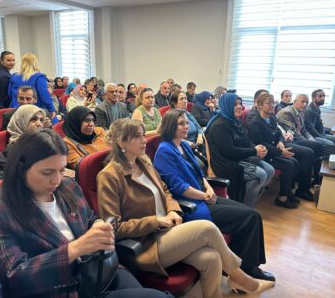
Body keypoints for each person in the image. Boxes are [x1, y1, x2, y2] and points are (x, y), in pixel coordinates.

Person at [0, 129, 172, 298]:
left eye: (62, 170)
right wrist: (74, 249)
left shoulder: (69, 187)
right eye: (47, 172)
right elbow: (14, 276)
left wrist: (97, 226)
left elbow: (90, 218)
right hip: (62, 287)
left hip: (97, 270)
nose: (56, 180)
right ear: (21, 170)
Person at [97, 118, 274, 298]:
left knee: (211, 258)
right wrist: (155, 221)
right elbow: (114, 228)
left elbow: (165, 189)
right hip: (145, 243)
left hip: (167, 231)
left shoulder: (143, 162)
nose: (145, 140)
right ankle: (241, 278)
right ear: (121, 141)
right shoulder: (109, 176)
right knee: (206, 227)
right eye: (137, 136)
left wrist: (173, 210)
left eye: (144, 135)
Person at [154, 109, 275, 282]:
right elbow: (178, 187)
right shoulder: (164, 151)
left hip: (203, 196)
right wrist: (204, 196)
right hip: (191, 205)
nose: (186, 126)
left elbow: (199, 173)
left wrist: (209, 188)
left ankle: (244, 265)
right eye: (181, 123)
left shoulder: (182, 145)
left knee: (251, 213)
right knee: (249, 217)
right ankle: (247, 269)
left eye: (186, 123)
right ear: (170, 126)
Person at [205, 93, 275, 207]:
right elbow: (229, 152)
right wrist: (254, 151)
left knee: (270, 170)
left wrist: (258, 148)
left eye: (240, 103)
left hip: (239, 158)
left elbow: (246, 142)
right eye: (235, 104)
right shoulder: (220, 125)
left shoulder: (236, 121)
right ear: (227, 105)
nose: (239, 106)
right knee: (261, 175)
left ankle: (247, 201)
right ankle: (245, 207)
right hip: (225, 163)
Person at [248, 93, 300, 209]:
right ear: (259, 106)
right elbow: (262, 145)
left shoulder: (272, 118)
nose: (272, 106)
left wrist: (280, 141)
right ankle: (282, 198)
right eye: (268, 103)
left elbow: (278, 134)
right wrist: (281, 152)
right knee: (289, 165)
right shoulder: (255, 123)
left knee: (294, 162)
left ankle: (287, 192)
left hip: (273, 151)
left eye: (273, 103)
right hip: (264, 155)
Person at [277, 94, 324, 187]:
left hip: (296, 138)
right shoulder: (287, 112)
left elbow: (304, 130)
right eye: (302, 101)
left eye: (306, 102)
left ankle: (315, 178)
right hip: (290, 140)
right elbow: (293, 132)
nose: (305, 104)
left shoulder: (301, 112)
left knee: (317, 145)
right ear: (294, 102)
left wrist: (312, 140)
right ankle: (309, 182)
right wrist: (308, 143)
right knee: (313, 149)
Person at [9, 53, 56, 119]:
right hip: (34, 112)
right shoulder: (39, 77)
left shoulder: (14, 76)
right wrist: (52, 109)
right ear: (35, 63)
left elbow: (9, 94)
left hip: (16, 111)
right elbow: (44, 95)